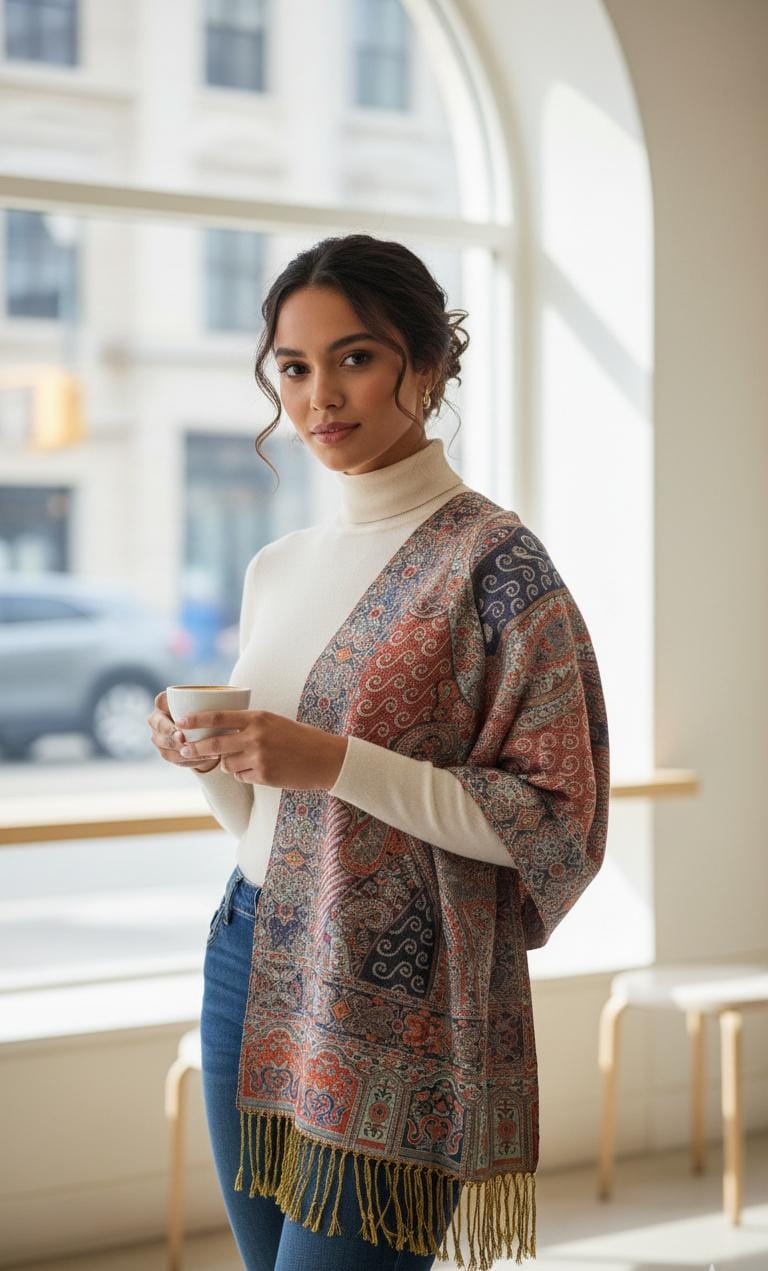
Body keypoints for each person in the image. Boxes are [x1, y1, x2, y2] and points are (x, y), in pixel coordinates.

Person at [147, 233, 610, 1270]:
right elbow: (274, 815)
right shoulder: (280, 565)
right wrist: (214, 758)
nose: (320, 396)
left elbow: (555, 817)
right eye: (294, 367)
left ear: (428, 364)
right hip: (249, 944)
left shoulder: (493, 562)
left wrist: (331, 760)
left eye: (354, 357)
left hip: (395, 992)